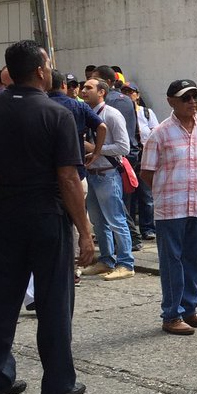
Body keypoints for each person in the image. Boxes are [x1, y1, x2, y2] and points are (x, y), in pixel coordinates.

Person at [0, 40, 92, 394]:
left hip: (1, 216)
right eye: (47, 64)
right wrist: (84, 230)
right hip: (46, 217)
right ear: (39, 71)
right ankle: (58, 383)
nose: (49, 70)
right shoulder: (57, 115)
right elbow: (68, 178)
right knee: (54, 301)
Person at [141, 79, 197, 336]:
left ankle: (189, 309)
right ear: (171, 101)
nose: (192, 102)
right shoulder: (160, 133)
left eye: (195, 96)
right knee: (172, 262)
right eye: (186, 98)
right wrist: (167, 189)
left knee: (193, 260)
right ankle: (171, 314)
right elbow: (147, 173)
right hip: (170, 208)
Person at [78, 77, 135, 280]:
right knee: (98, 221)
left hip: (108, 174)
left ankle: (126, 263)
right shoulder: (87, 114)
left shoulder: (111, 114)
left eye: (88, 87)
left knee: (116, 220)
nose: (83, 90)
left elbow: (123, 147)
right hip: (91, 174)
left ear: (102, 92)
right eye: (83, 87)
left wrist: (96, 149)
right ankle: (106, 259)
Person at [94, 65, 142, 250]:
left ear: (106, 83)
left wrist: (96, 148)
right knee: (119, 203)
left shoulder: (110, 104)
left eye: (95, 81)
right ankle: (127, 240)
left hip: (115, 156)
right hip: (128, 153)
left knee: (117, 205)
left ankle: (130, 241)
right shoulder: (126, 100)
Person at [121, 82, 158, 241]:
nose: (129, 94)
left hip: (144, 155)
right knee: (128, 195)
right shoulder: (120, 113)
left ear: (137, 94)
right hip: (128, 157)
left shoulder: (147, 113)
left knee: (146, 195)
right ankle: (130, 230)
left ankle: (147, 228)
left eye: (131, 92)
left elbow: (155, 132)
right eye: (125, 92)